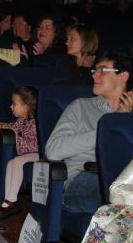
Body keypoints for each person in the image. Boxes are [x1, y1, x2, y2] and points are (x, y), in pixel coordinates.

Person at [46, 52, 133, 214]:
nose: (94, 75)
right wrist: (109, 125)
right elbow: (53, 150)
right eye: (94, 70)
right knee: (116, 196)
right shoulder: (80, 107)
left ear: (123, 76)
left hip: (125, 181)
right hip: (85, 177)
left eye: (102, 70)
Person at [0, 86, 39, 218]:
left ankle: (11, 201)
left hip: (40, 153)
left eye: (14, 103)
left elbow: (33, 146)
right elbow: (15, 127)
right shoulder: (23, 120)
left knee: (18, 162)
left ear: (27, 106)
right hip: (32, 153)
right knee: (11, 163)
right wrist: (4, 125)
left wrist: (15, 134)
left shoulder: (35, 122)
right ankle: (9, 199)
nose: (11, 106)